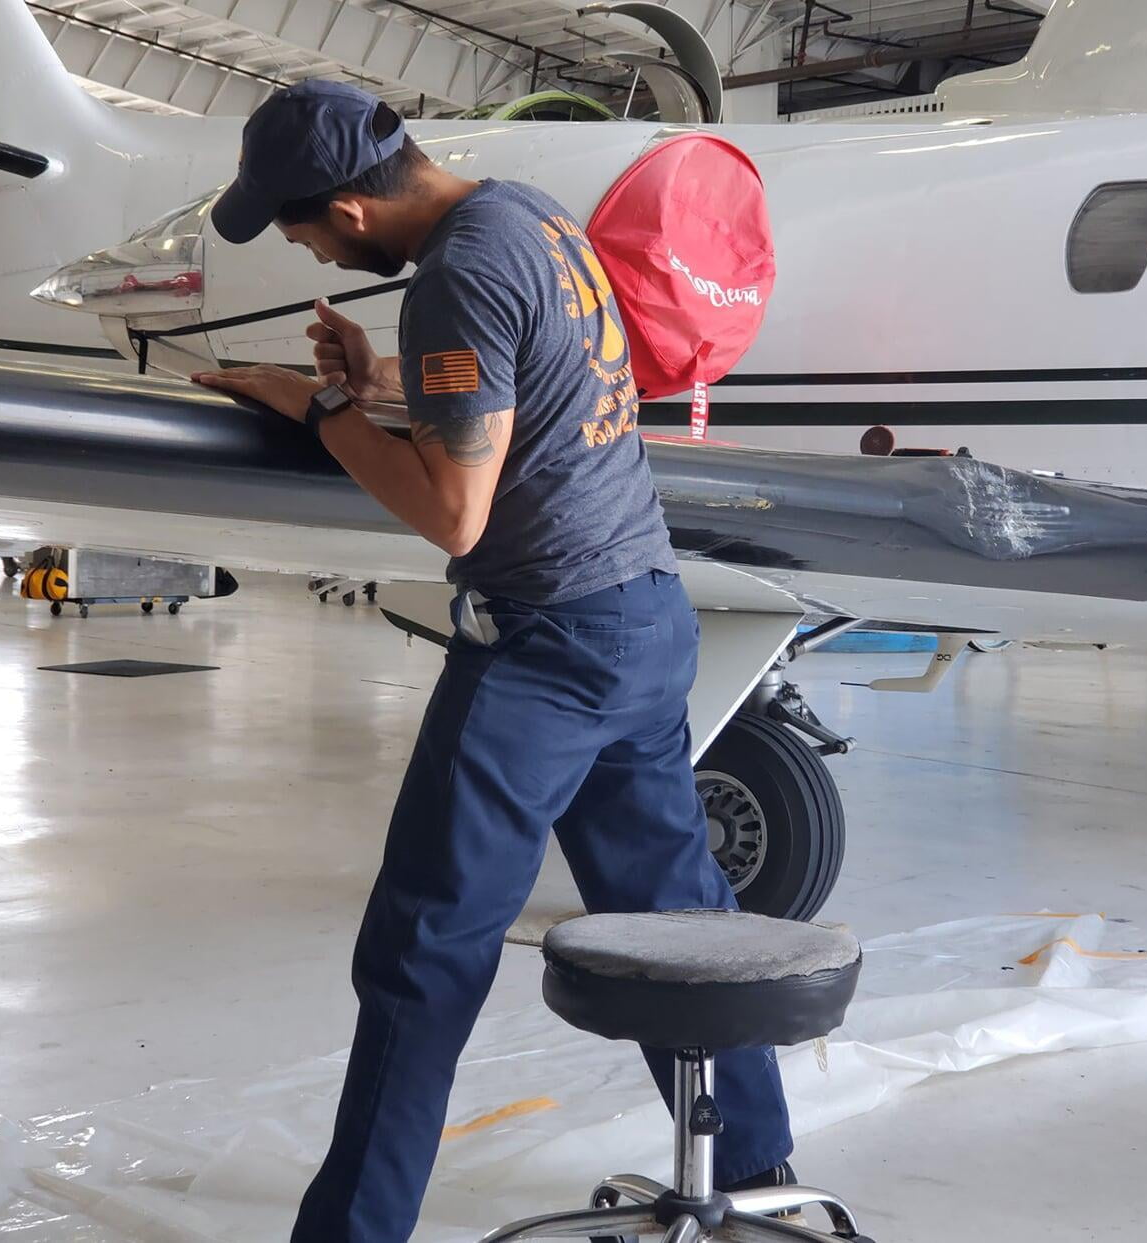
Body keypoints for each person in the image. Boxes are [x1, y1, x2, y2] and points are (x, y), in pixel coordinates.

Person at [192, 79, 795, 1243]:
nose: (299, 245)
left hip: (548, 649)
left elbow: (455, 513)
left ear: (350, 214)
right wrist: (375, 380)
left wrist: (317, 408)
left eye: (296, 226)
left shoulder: (456, 280)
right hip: (647, 616)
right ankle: (760, 1183)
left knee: (424, 954)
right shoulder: (530, 216)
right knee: (678, 921)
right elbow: (540, 385)